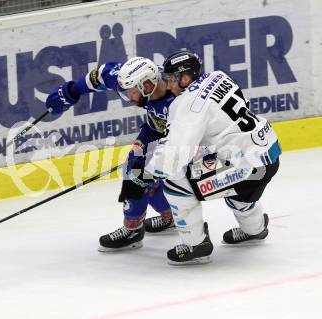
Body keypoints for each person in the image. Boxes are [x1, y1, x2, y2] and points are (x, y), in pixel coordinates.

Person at [120, 50, 281, 265]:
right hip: (268, 151)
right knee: (238, 192)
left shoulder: (186, 103)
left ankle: (196, 245)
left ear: (185, 78)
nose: (168, 85)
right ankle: (255, 229)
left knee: (175, 180)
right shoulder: (218, 76)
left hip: (245, 164)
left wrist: (145, 174)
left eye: (171, 79)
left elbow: (174, 156)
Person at [45, 57, 182, 251]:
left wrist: (160, 151)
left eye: (132, 93)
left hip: (183, 138)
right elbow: (103, 74)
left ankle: (133, 230)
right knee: (137, 171)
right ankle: (172, 217)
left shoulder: (181, 98)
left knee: (138, 173)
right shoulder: (132, 80)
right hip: (155, 128)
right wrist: (71, 91)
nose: (129, 98)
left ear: (148, 84)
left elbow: (194, 132)